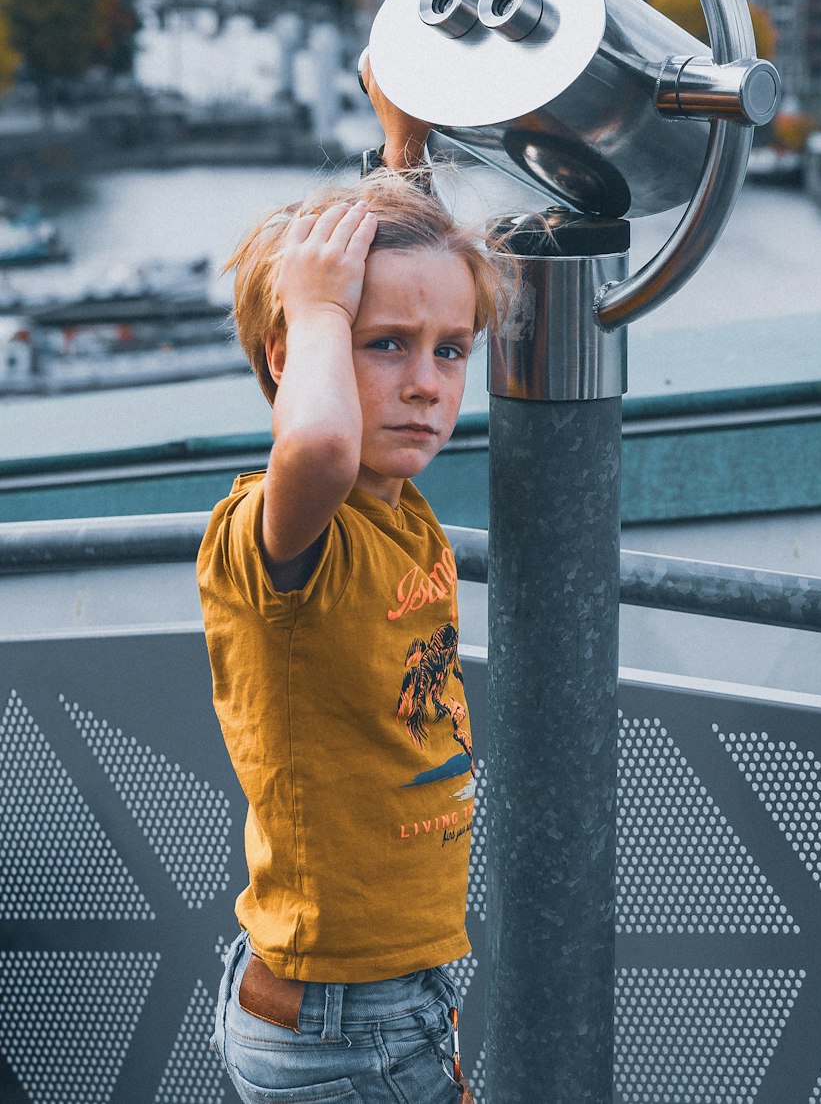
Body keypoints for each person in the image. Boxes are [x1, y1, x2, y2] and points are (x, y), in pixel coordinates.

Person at [200, 65, 505, 1102]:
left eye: (450, 350)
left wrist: (402, 146)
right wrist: (319, 300)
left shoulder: (388, 502)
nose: (426, 381)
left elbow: (411, 280)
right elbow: (320, 439)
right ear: (294, 352)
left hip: (390, 1000)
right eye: (384, 348)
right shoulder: (284, 531)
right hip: (339, 1030)